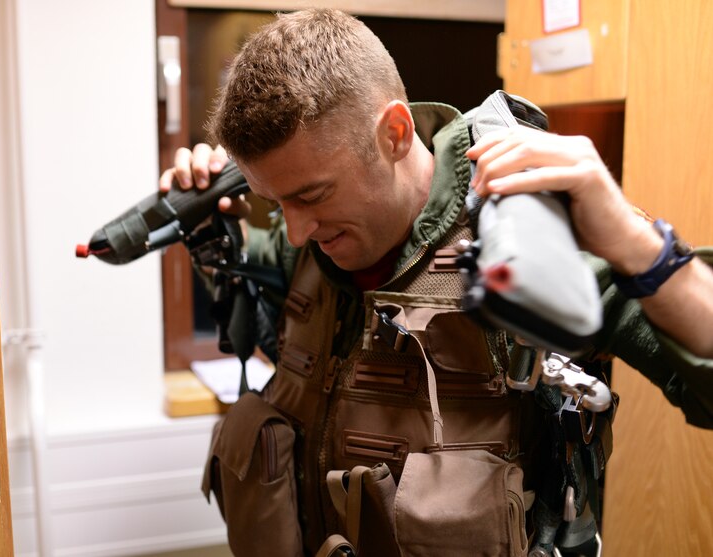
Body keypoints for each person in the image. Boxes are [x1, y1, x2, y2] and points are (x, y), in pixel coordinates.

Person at [159, 9, 713, 556]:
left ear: (395, 134)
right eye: (276, 202)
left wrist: (642, 250)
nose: (297, 230)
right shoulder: (306, 243)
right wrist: (214, 230)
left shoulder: (530, 241)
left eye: (312, 195)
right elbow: (271, 311)